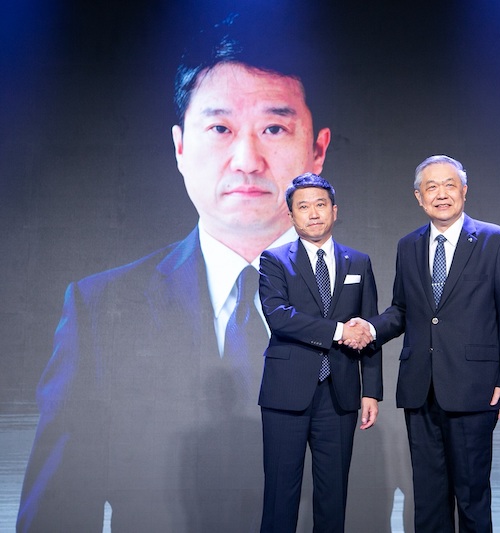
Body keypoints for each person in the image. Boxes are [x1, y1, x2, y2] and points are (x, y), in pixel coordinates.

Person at [17, 16, 330, 532]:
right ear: (180, 147)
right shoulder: (101, 313)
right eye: (220, 128)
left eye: (274, 128)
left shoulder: (385, 308)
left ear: (317, 149)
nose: (247, 160)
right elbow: (56, 517)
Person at [351, 155, 500, 532]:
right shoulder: (408, 245)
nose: (441, 194)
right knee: (429, 498)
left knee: (471, 494)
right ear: (419, 197)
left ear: (464, 190)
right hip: (421, 387)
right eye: (431, 187)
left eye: (449, 185)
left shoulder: (495, 240)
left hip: (474, 388)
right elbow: (402, 310)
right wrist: (370, 328)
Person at [257, 173, 382, 532]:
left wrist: (371, 391)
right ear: (291, 216)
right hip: (286, 393)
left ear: (334, 210)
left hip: (339, 394)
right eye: (303, 207)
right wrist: (340, 331)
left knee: (333, 497)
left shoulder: (358, 262)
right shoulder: (274, 260)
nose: (313, 213)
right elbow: (280, 317)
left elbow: (369, 329)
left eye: (320, 205)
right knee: (280, 496)